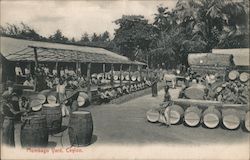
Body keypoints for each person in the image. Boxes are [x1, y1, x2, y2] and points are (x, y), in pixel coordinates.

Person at [1, 81, 27, 147]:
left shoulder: (8, 104)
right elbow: (14, 112)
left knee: (10, 139)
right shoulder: (6, 105)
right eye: (10, 97)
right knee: (7, 140)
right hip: (8, 122)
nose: (11, 99)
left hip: (10, 122)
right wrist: (22, 111)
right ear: (7, 98)